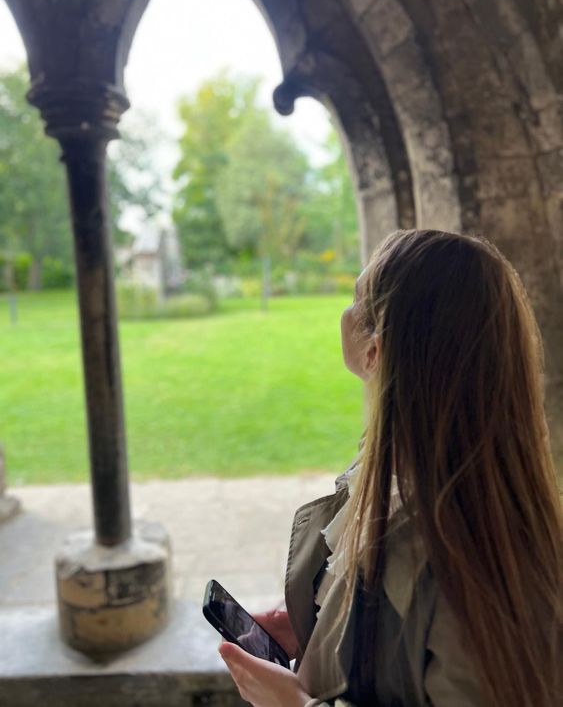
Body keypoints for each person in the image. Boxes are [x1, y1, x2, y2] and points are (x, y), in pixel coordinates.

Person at [219, 229, 562, 707]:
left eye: (356, 299)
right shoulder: (392, 471)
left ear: (375, 351)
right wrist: (316, 628)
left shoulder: (470, 555)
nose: (345, 312)